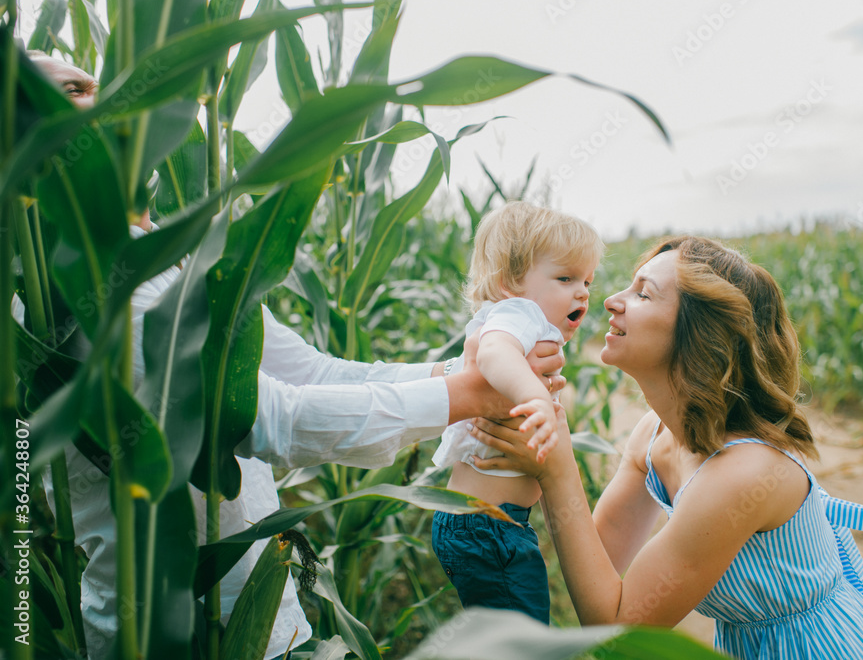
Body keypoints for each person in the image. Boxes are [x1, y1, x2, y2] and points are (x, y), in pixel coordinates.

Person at [16, 54, 567, 659]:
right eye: (74, 89)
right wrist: (470, 394)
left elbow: (308, 370)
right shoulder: (68, 290)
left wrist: (460, 375)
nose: (110, 96)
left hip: (265, 617)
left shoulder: (170, 251)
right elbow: (269, 419)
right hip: (176, 638)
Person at [471, 236, 863, 658]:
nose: (610, 300)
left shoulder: (743, 473)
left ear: (699, 333)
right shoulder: (654, 434)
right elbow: (596, 564)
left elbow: (618, 632)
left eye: (643, 294)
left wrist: (556, 467)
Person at [430, 201, 603, 624]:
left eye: (586, 280)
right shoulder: (517, 315)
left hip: (488, 526)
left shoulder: (519, 319)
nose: (582, 291)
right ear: (510, 282)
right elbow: (493, 353)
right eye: (565, 278)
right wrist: (538, 399)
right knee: (523, 643)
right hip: (489, 528)